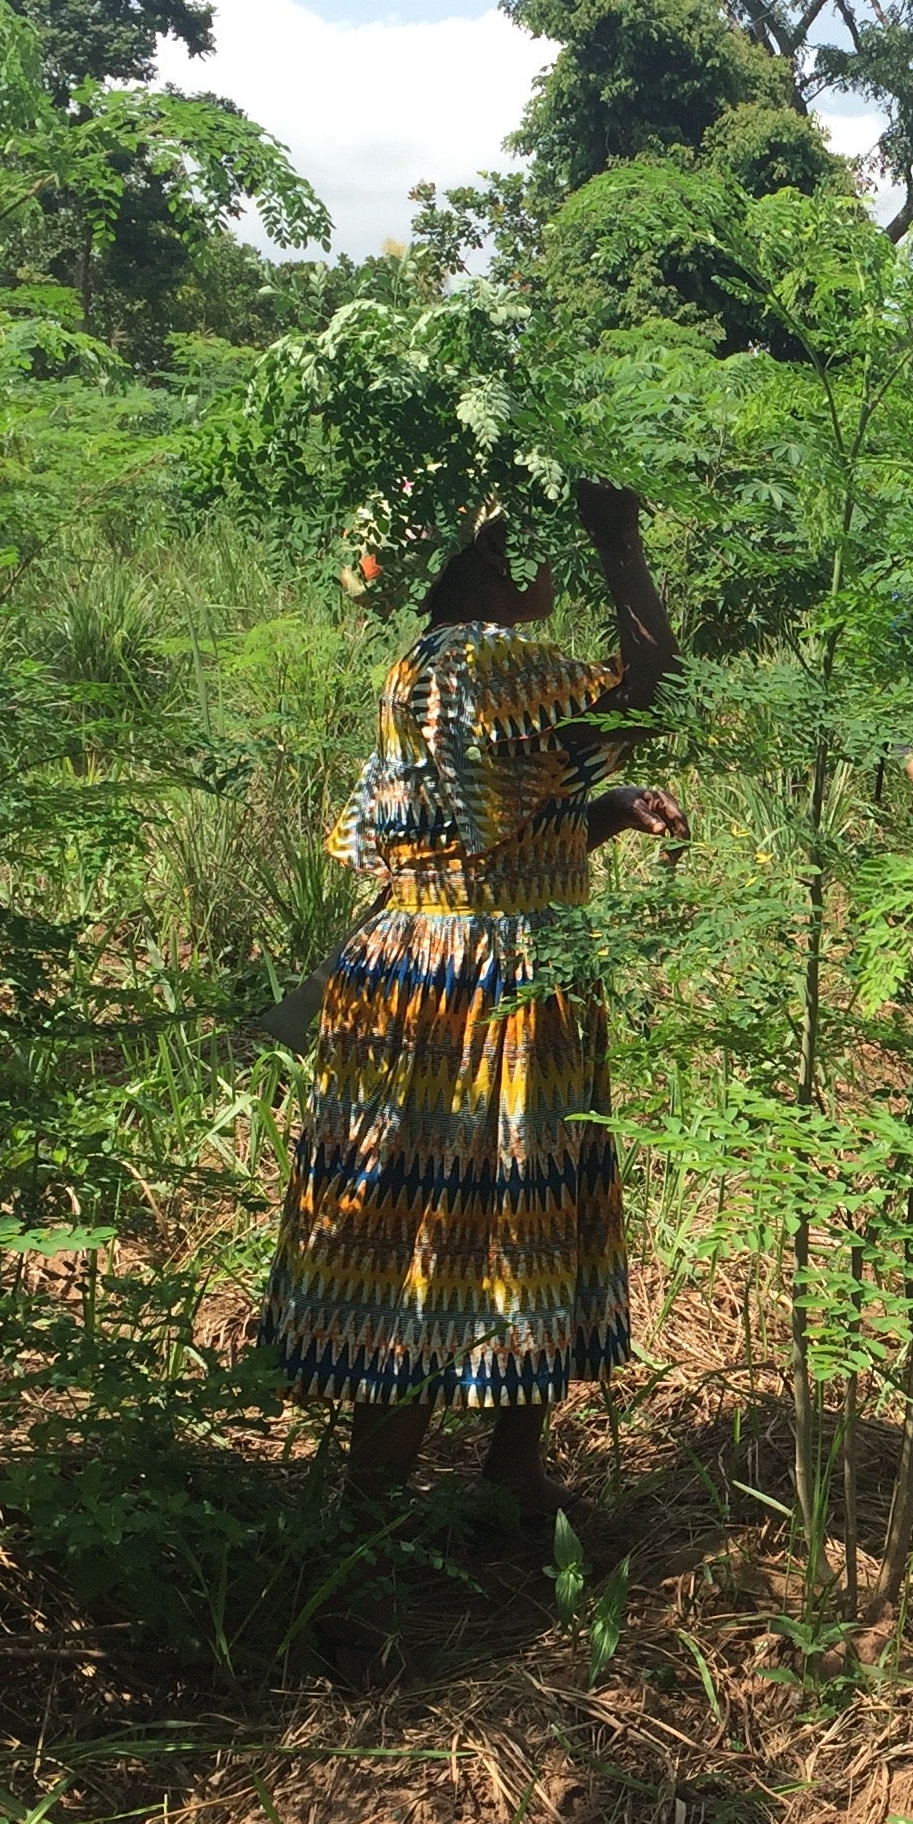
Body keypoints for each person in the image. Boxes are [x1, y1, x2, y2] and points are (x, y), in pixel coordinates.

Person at [259, 482, 683, 1571]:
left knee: (493, 1209)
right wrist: (620, 534)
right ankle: (378, 1507)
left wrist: (603, 813)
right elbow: (654, 682)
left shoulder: (432, 661)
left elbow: (489, 839)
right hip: (477, 982)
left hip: (436, 969)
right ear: (502, 562)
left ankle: (490, 1474)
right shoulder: (486, 657)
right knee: (450, 1223)